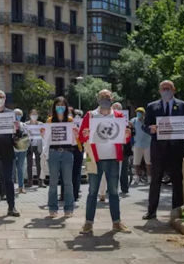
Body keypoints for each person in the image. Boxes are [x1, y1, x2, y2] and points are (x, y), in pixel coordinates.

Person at [79, 89, 132, 233]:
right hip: (95, 160)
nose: (105, 99)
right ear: (97, 99)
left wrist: (127, 135)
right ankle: (88, 223)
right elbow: (81, 137)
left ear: (112, 99)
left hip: (113, 159)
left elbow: (124, 138)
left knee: (114, 192)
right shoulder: (90, 116)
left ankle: (116, 222)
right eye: (102, 97)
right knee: (92, 192)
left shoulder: (119, 116)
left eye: (107, 97)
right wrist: (85, 134)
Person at [142, 80, 184, 220]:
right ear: (159, 91)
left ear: (174, 89)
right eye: (163, 89)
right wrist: (150, 129)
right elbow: (145, 126)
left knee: (177, 180)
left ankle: (177, 211)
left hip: (176, 150)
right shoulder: (152, 107)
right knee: (155, 180)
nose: (166, 91)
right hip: (158, 150)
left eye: (168, 88)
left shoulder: (183, 106)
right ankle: (151, 210)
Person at [0, 90, 22, 218]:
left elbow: (17, 136)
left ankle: (11, 207)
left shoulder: (11, 114)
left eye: (1, 97)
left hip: (7, 152)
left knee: (9, 181)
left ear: (5, 99)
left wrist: (17, 130)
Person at [41, 97, 78, 218]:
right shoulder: (50, 121)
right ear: (54, 107)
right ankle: (52, 208)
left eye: (62, 104)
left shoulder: (70, 120)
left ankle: (68, 208)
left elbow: (74, 139)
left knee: (68, 182)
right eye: (58, 104)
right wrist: (43, 134)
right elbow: (46, 139)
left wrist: (76, 133)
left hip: (67, 152)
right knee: (53, 182)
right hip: (54, 153)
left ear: (66, 107)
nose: (60, 107)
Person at [130, 107, 152, 185]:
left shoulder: (147, 120)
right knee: (136, 162)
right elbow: (129, 124)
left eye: (140, 112)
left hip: (148, 144)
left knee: (148, 162)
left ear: (144, 113)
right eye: (137, 112)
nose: (139, 113)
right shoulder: (134, 120)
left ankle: (149, 177)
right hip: (137, 144)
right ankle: (137, 177)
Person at [25, 109, 45, 188]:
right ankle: (30, 181)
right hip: (29, 145)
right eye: (32, 114)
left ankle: (40, 181)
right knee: (29, 164)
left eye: (35, 114)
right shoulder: (26, 124)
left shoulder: (41, 124)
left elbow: (44, 134)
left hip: (38, 145)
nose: (34, 116)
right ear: (29, 115)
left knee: (39, 164)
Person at [13, 108, 28, 194]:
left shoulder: (24, 125)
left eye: (19, 114)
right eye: (16, 114)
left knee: (20, 168)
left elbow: (27, 135)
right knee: (12, 168)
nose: (17, 116)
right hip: (13, 149)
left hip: (22, 149)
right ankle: (11, 186)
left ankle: (21, 187)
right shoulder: (10, 124)